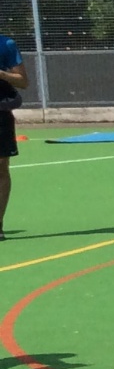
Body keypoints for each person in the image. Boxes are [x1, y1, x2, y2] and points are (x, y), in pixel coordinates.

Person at [0, 24, 27, 240]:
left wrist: (1, 74)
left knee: (1, 168)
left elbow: (23, 81)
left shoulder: (6, 44)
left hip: (0, 112)